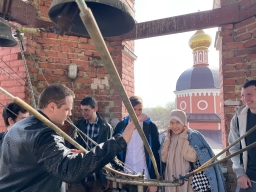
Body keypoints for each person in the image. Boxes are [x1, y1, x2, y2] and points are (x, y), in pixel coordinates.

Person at [0, 83, 136, 192]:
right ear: (52, 106)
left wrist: (65, 155)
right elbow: (70, 170)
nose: (70, 113)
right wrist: (121, 140)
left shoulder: (20, 125)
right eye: (66, 109)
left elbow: (35, 161)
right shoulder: (44, 134)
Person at [161, 109, 226, 192]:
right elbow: (164, 158)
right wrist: (167, 139)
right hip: (171, 179)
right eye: (172, 123)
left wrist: (183, 137)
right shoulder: (168, 138)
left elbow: (191, 157)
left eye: (178, 122)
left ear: (184, 122)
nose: (174, 126)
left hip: (187, 180)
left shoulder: (192, 136)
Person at [113, 96, 160, 192]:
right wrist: (118, 169)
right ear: (127, 109)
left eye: (140, 109)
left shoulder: (151, 127)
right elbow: (114, 150)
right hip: (126, 176)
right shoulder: (121, 126)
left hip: (145, 176)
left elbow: (156, 152)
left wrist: (154, 180)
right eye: (134, 109)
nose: (137, 113)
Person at [68, 96, 113, 192]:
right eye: (82, 110)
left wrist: (108, 175)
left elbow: (110, 152)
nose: (83, 113)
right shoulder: (77, 126)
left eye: (86, 110)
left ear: (95, 109)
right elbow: (70, 149)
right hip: (79, 176)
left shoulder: (106, 128)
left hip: (98, 176)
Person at [229, 80, 256, 192]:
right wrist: (240, 173)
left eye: (249, 95)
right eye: (243, 96)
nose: (245, 99)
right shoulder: (238, 118)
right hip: (248, 180)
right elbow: (233, 147)